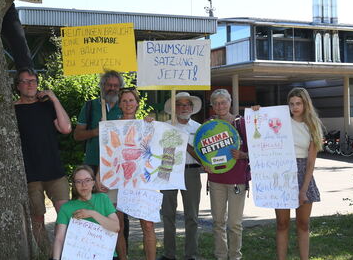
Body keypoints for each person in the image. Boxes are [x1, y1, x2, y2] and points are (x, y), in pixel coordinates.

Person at [13, 68, 72, 251]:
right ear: (17, 86)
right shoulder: (12, 109)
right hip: (29, 173)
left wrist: (54, 99)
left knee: (65, 214)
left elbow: (66, 128)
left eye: (33, 81)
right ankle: (47, 254)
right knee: (37, 218)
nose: (30, 84)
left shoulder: (47, 106)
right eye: (25, 81)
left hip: (54, 169)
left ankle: (64, 252)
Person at [97, 88, 156, 260]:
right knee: (118, 225)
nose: (128, 104)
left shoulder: (146, 125)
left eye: (131, 100)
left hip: (141, 182)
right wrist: (99, 176)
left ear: (137, 103)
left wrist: (152, 126)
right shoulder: (110, 126)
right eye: (124, 101)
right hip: (115, 179)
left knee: (147, 224)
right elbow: (105, 153)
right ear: (119, 104)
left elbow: (156, 150)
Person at [275, 87, 323, 260]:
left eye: (298, 103)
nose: (294, 107)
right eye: (291, 104)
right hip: (282, 173)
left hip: (304, 173)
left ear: (305, 104)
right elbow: (260, 127)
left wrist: (303, 189)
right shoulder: (280, 122)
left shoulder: (312, 126)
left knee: (303, 224)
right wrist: (258, 113)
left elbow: (311, 163)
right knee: (282, 223)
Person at [204, 89, 250, 260]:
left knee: (234, 224)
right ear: (212, 106)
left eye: (223, 102)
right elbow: (204, 152)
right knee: (217, 223)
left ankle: (235, 256)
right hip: (216, 180)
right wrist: (205, 163)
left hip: (237, 179)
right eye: (216, 103)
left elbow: (257, 150)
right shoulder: (208, 124)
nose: (220, 106)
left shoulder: (242, 123)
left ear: (230, 103)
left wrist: (243, 155)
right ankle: (221, 256)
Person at [159, 92, 203, 260]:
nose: (184, 108)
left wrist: (185, 144)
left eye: (187, 105)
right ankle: (169, 254)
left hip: (191, 171)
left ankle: (191, 254)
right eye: (180, 105)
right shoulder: (165, 126)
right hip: (168, 170)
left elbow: (203, 156)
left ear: (192, 108)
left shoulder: (198, 129)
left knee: (192, 215)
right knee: (168, 214)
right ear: (174, 108)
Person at [52, 165, 119, 260]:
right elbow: (59, 238)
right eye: (79, 182)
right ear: (74, 185)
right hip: (77, 256)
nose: (84, 185)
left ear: (93, 182)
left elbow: (116, 227)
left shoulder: (103, 198)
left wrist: (92, 213)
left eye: (87, 180)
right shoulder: (66, 208)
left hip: (105, 255)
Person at [74, 70, 124, 173]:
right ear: (102, 86)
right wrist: (95, 132)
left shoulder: (125, 106)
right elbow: (77, 135)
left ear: (120, 88)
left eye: (116, 86)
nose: (113, 88)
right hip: (93, 162)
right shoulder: (90, 106)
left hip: (118, 163)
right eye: (109, 85)